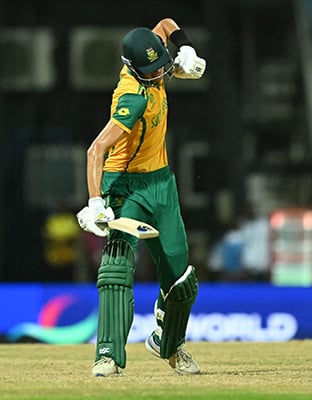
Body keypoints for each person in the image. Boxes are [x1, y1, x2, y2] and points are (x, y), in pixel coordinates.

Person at [76, 18, 205, 377]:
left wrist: (185, 47)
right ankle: (107, 355)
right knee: (116, 266)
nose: (161, 73)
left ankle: (170, 344)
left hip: (161, 182)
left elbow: (166, 24)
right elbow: (95, 150)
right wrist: (95, 202)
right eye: (153, 71)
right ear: (133, 69)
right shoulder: (131, 97)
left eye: (161, 64)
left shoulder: (150, 50)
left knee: (180, 277)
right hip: (125, 185)